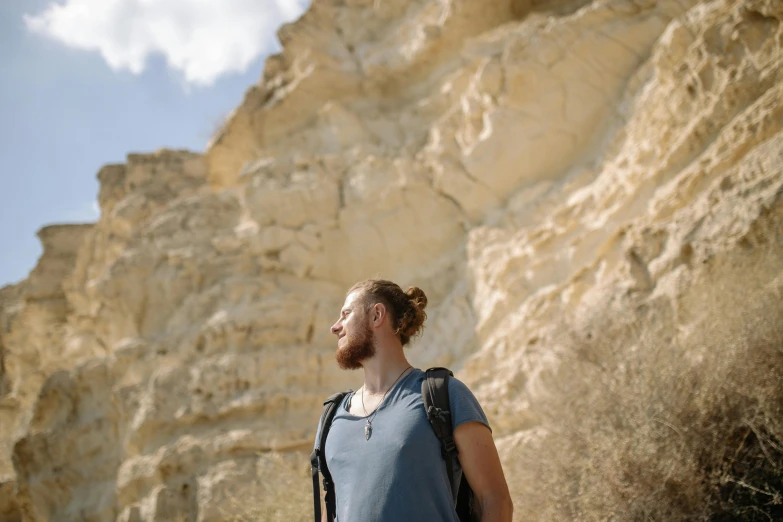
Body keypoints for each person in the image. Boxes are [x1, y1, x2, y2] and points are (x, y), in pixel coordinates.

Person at [316, 279, 513, 521]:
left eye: (346, 314)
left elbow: (494, 501)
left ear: (377, 315)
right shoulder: (332, 416)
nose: (335, 327)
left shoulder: (445, 395)